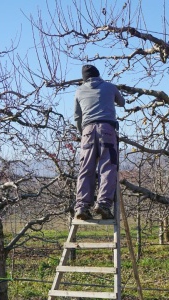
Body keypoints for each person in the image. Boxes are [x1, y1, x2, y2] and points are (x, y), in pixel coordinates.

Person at [73, 65, 125, 220]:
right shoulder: (109, 86)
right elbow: (121, 102)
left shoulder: (79, 90)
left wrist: (82, 133)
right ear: (98, 75)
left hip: (87, 132)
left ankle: (82, 206)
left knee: (86, 168)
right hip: (107, 130)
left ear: (84, 79)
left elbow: (77, 117)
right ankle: (103, 204)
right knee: (107, 167)